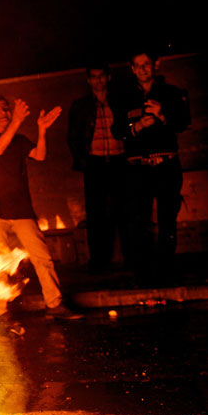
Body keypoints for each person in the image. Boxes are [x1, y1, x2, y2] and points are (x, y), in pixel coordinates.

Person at [0, 95, 83, 321]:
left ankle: (54, 304)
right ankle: (0, 313)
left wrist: (42, 130)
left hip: (21, 210)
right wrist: (16, 121)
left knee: (42, 257)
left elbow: (40, 155)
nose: (3, 113)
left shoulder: (19, 139)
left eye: (5, 109)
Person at [110, 50, 190, 285]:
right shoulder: (124, 96)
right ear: (132, 69)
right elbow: (117, 131)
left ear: (155, 66)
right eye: (138, 65)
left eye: (147, 64)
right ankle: (142, 273)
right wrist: (136, 126)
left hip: (166, 165)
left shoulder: (170, 93)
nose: (143, 69)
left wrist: (162, 115)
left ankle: (166, 270)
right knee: (138, 220)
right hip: (137, 169)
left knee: (167, 218)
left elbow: (183, 123)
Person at [67, 63, 130, 274]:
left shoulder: (120, 101)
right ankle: (99, 261)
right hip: (94, 163)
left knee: (125, 210)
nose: (98, 81)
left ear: (108, 77)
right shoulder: (81, 106)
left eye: (101, 76)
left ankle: (130, 258)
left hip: (120, 160)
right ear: (89, 80)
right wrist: (83, 161)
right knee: (96, 213)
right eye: (94, 77)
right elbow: (73, 137)